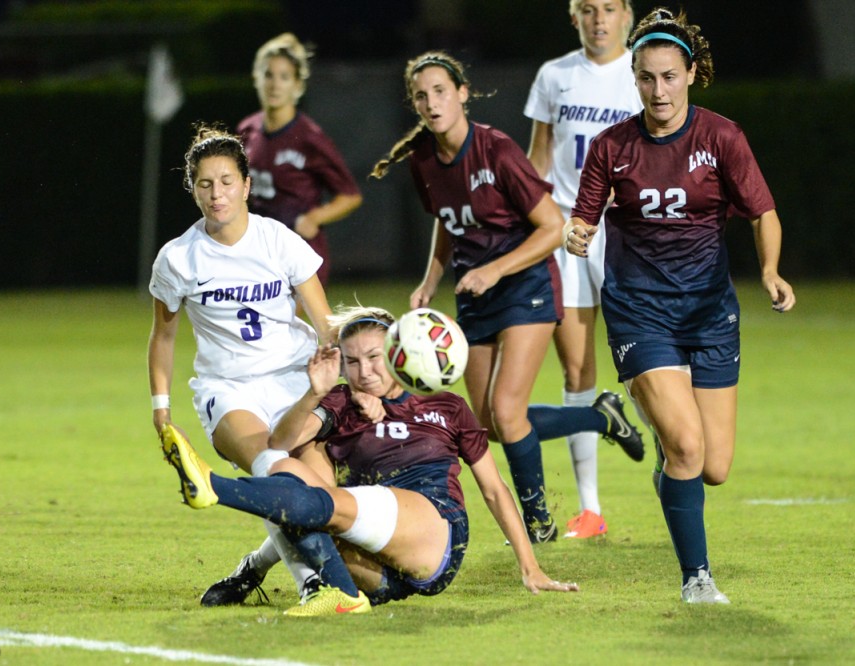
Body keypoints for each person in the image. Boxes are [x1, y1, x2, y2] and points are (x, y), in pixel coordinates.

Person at [564, 7, 795, 603]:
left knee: (712, 465)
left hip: (709, 313)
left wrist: (769, 271)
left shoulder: (721, 137)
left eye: (669, 76)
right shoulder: (613, 146)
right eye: (646, 78)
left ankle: (668, 463)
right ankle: (697, 578)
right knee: (687, 445)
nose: (658, 90)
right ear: (634, 79)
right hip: (640, 313)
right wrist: (577, 233)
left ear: (690, 73)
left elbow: (763, 212)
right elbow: (583, 216)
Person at [368, 50, 644, 544]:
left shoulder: (496, 150)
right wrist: (431, 279)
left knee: (508, 410)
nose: (432, 102)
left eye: (440, 91)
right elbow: (447, 223)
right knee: (488, 423)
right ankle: (600, 415)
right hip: (478, 295)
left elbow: (552, 227)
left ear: (462, 94)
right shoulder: (424, 160)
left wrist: (494, 270)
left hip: (526, 286)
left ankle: (538, 520)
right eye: (421, 96)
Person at [161, 306, 580, 616]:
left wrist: (531, 568)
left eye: (375, 357)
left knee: (332, 502)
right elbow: (280, 442)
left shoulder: (445, 406)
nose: (365, 371)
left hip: (433, 530)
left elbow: (493, 488)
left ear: (398, 352)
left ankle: (213, 488)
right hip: (375, 567)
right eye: (353, 362)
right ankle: (342, 592)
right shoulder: (342, 402)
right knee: (282, 466)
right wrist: (314, 391)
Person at [147, 123, 340, 604]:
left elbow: (325, 322)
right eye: (205, 184)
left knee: (321, 496)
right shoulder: (177, 259)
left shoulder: (279, 241)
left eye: (227, 181)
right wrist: (161, 405)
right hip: (228, 389)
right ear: (192, 189)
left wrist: (355, 367)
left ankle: (251, 569)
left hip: (295, 381)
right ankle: (313, 587)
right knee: (275, 469)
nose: (217, 194)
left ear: (247, 185)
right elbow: (163, 335)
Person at [523, 0, 643, 539]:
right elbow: (539, 158)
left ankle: (676, 467)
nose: (599, 19)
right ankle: (590, 510)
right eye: (588, 10)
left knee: (647, 361)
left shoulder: (643, 70)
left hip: (627, 235)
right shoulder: (555, 75)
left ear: (627, 16)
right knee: (576, 369)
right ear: (573, 17)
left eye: (609, 9)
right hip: (569, 233)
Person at [237, 33, 363, 285]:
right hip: (258, 254)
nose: (275, 84)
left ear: (297, 85)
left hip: (300, 254)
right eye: (268, 75)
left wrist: (315, 217)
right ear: (256, 78)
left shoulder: (309, 137)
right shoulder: (247, 130)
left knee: (291, 324)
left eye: (284, 77)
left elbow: (350, 195)